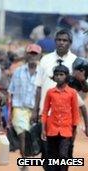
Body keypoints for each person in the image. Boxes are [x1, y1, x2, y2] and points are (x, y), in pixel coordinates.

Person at [32, 29, 77, 171]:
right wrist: (35, 110)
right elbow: (38, 87)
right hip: (46, 114)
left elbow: (80, 88)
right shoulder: (45, 60)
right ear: (55, 41)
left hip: (66, 118)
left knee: (64, 153)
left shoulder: (76, 61)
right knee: (47, 152)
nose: (61, 43)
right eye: (59, 40)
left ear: (70, 43)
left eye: (65, 40)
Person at [8, 44, 41, 171]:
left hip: (35, 110)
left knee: (32, 138)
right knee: (22, 135)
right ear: (26, 55)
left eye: (35, 54)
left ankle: (26, 158)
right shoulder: (18, 71)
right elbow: (11, 92)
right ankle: (24, 163)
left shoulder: (42, 73)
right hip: (19, 109)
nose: (32, 56)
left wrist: (38, 111)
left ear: (39, 56)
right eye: (30, 53)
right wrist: (9, 113)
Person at [41, 62, 79, 171]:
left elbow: (75, 113)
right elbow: (45, 111)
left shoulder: (72, 93)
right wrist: (43, 129)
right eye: (56, 74)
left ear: (66, 76)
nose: (59, 76)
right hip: (52, 128)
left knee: (63, 155)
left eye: (61, 74)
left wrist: (74, 130)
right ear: (54, 77)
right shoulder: (50, 92)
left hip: (66, 129)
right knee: (52, 155)